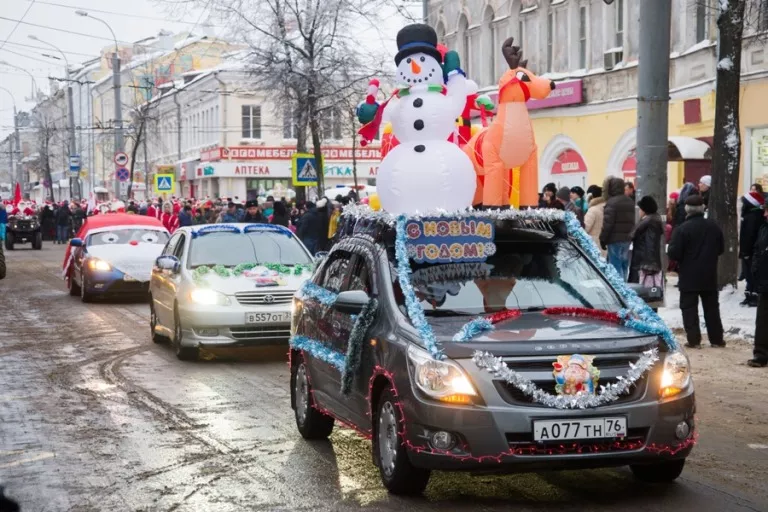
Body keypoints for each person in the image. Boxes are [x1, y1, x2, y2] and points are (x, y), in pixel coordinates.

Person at [668, 195, 725, 348]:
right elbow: (721, 249)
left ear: (687, 210)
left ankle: (694, 340)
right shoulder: (714, 227)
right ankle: (717, 339)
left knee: (689, 308)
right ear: (702, 209)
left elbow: (674, 253)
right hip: (709, 274)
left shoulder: (682, 229)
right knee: (712, 308)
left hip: (689, 275)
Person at [599, 177, 636, 280]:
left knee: (615, 265)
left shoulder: (611, 202)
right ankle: (624, 285)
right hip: (627, 239)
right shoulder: (630, 201)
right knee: (624, 264)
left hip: (614, 239)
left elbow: (608, 224)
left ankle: (618, 287)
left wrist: (603, 239)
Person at [629, 196, 664, 286]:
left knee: (639, 286)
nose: (639, 211)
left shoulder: (649, 222)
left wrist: (650, 264)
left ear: (644, 210)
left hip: (643, 261)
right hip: (643, 260)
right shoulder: (653, 220)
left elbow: (650, 243)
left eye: (640, 209)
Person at [749, 203, 768, 367]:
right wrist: (755, 269)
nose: (765, 214)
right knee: (762, 320)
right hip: (764, 282)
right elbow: (758, 250)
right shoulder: (764, 228)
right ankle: (761, 354)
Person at [738, 190, 765, 307]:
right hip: (750, 250)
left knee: (751, 274)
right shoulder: (752, 215)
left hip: (750, 251)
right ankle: (749, 294)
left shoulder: (752, 217)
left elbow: (749, 236)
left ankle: (753, 296)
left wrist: (746, 251)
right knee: (748, 274)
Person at [584, 184, 606, 257]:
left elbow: (585, 228)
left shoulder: (593, 210)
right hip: (605, 244)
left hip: (594, 244)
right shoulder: (608, 207)